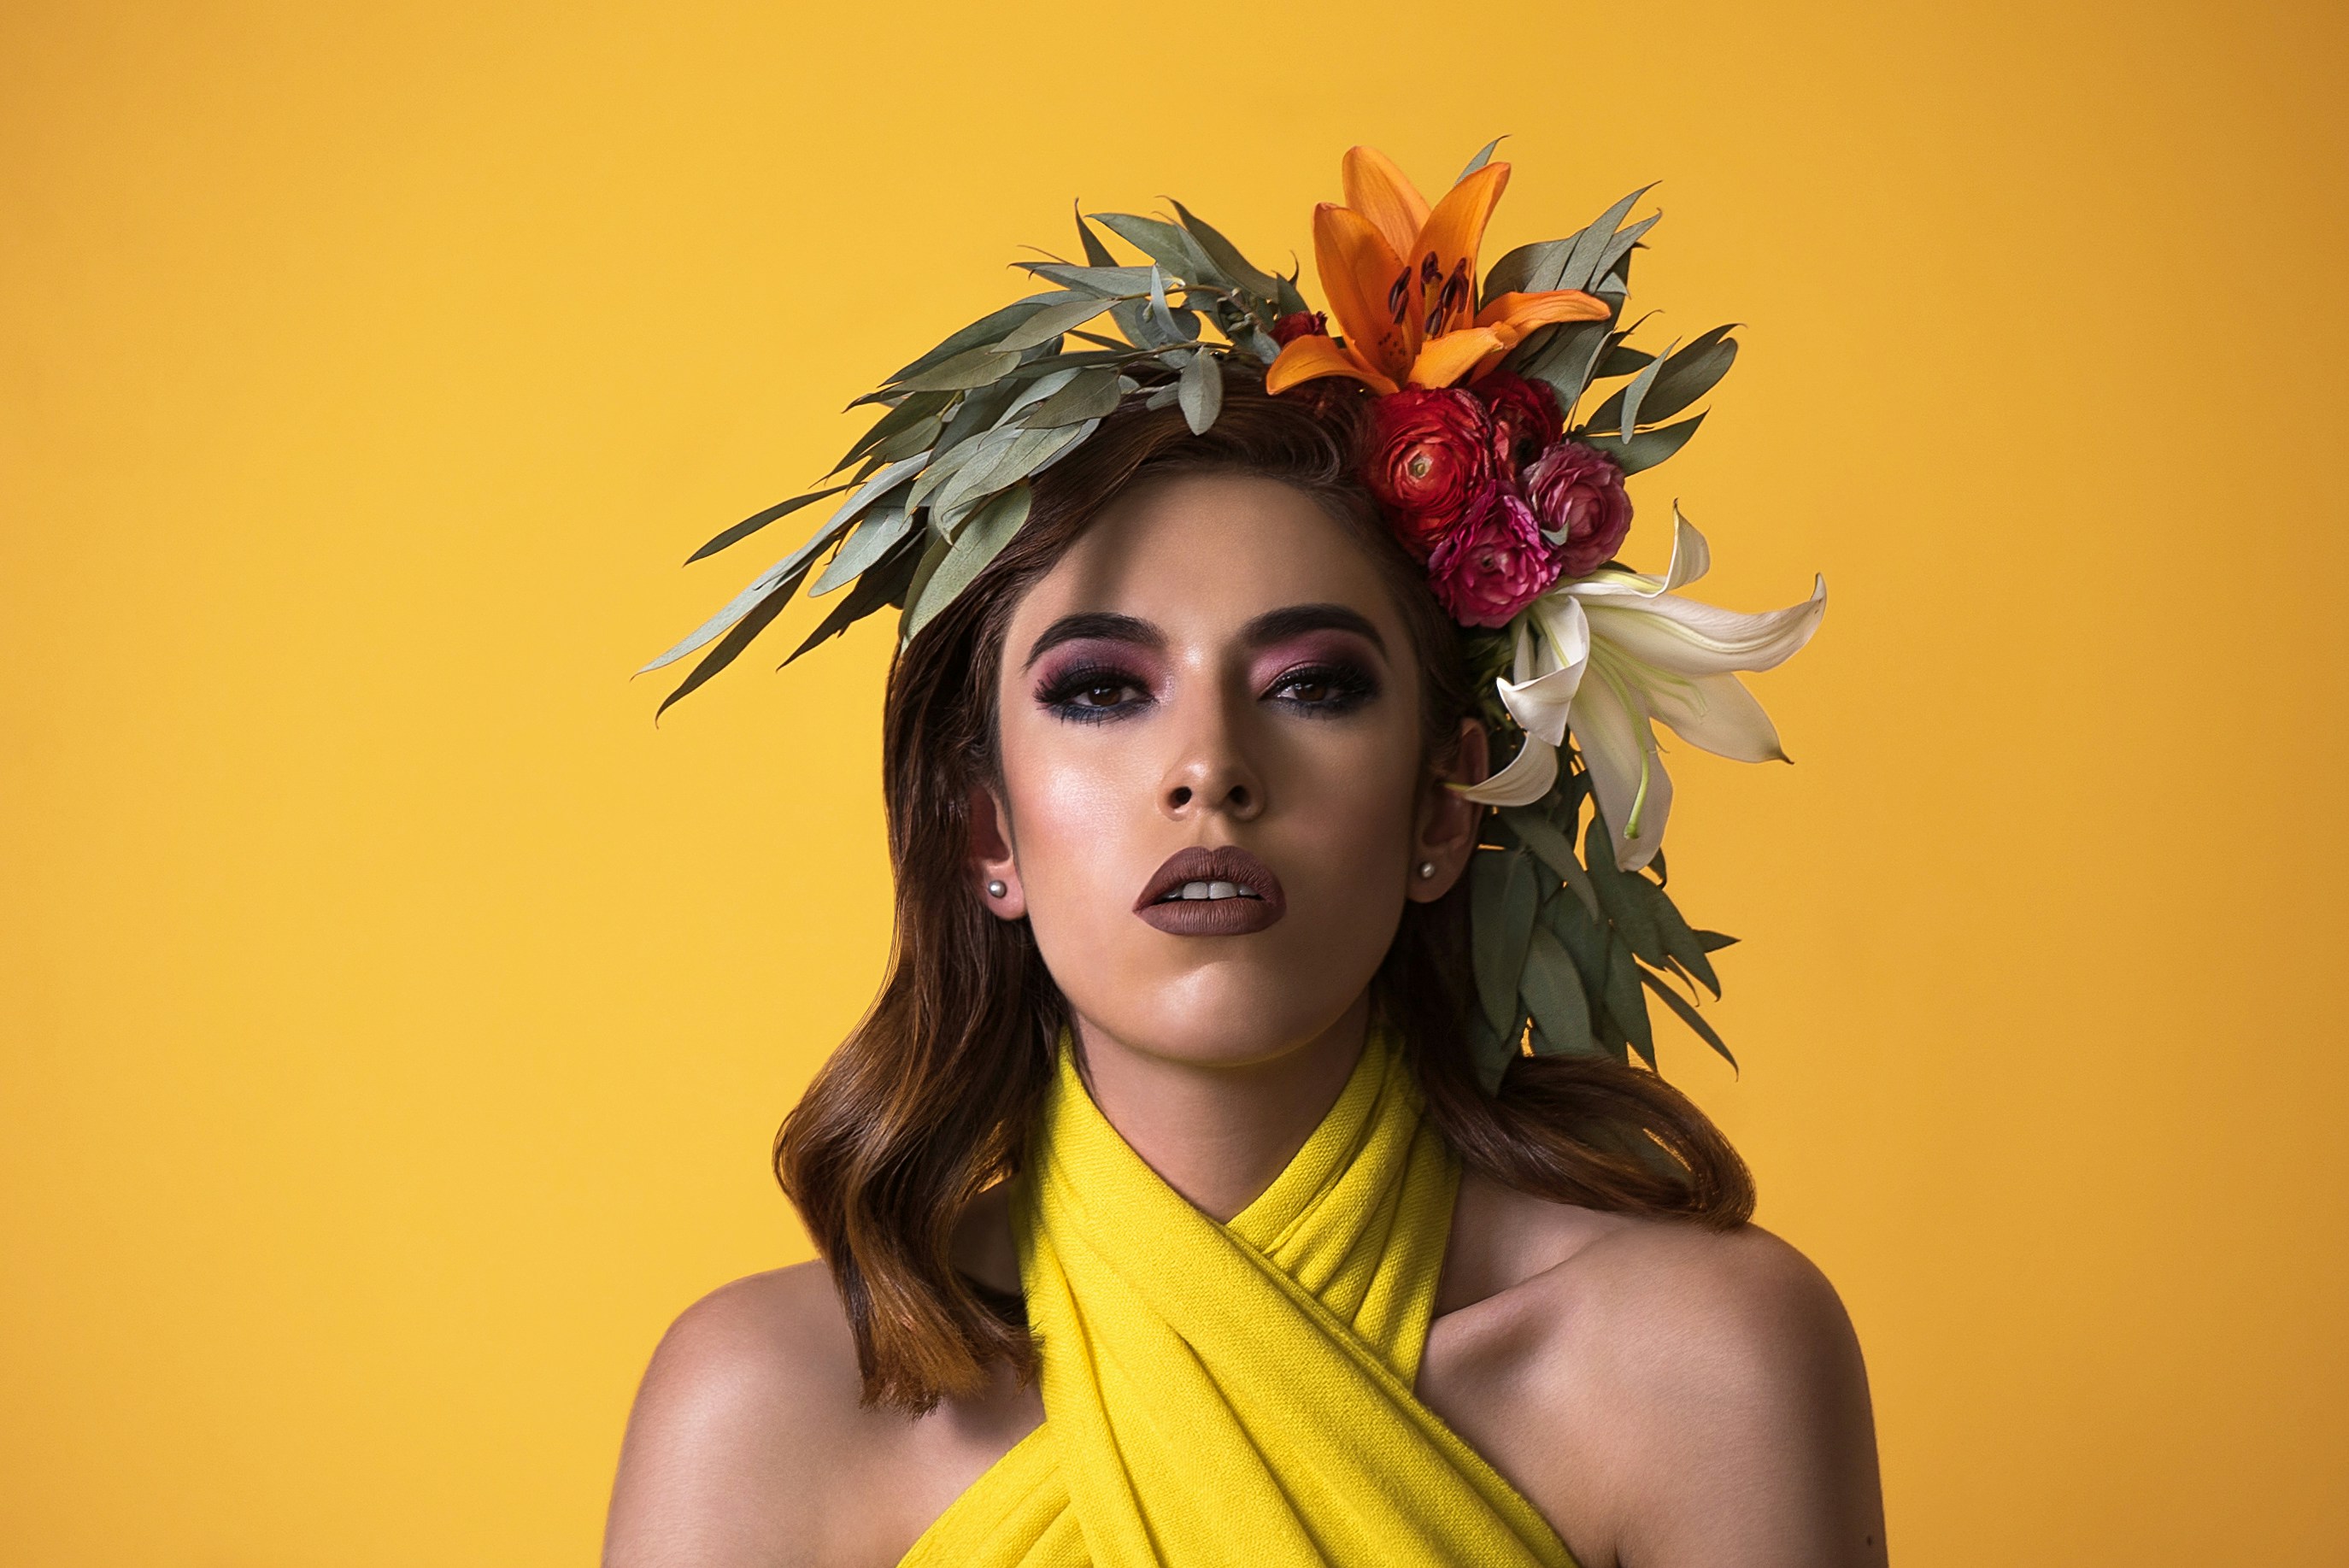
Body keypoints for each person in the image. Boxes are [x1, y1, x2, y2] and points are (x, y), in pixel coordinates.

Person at [605, 149, 1883, 1567]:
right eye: (1101, 689)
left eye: (1312, 685)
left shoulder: (1699, 1367)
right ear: (987, 833)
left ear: (1438, 816)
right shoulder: (762, 1411)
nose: (1207, 766)